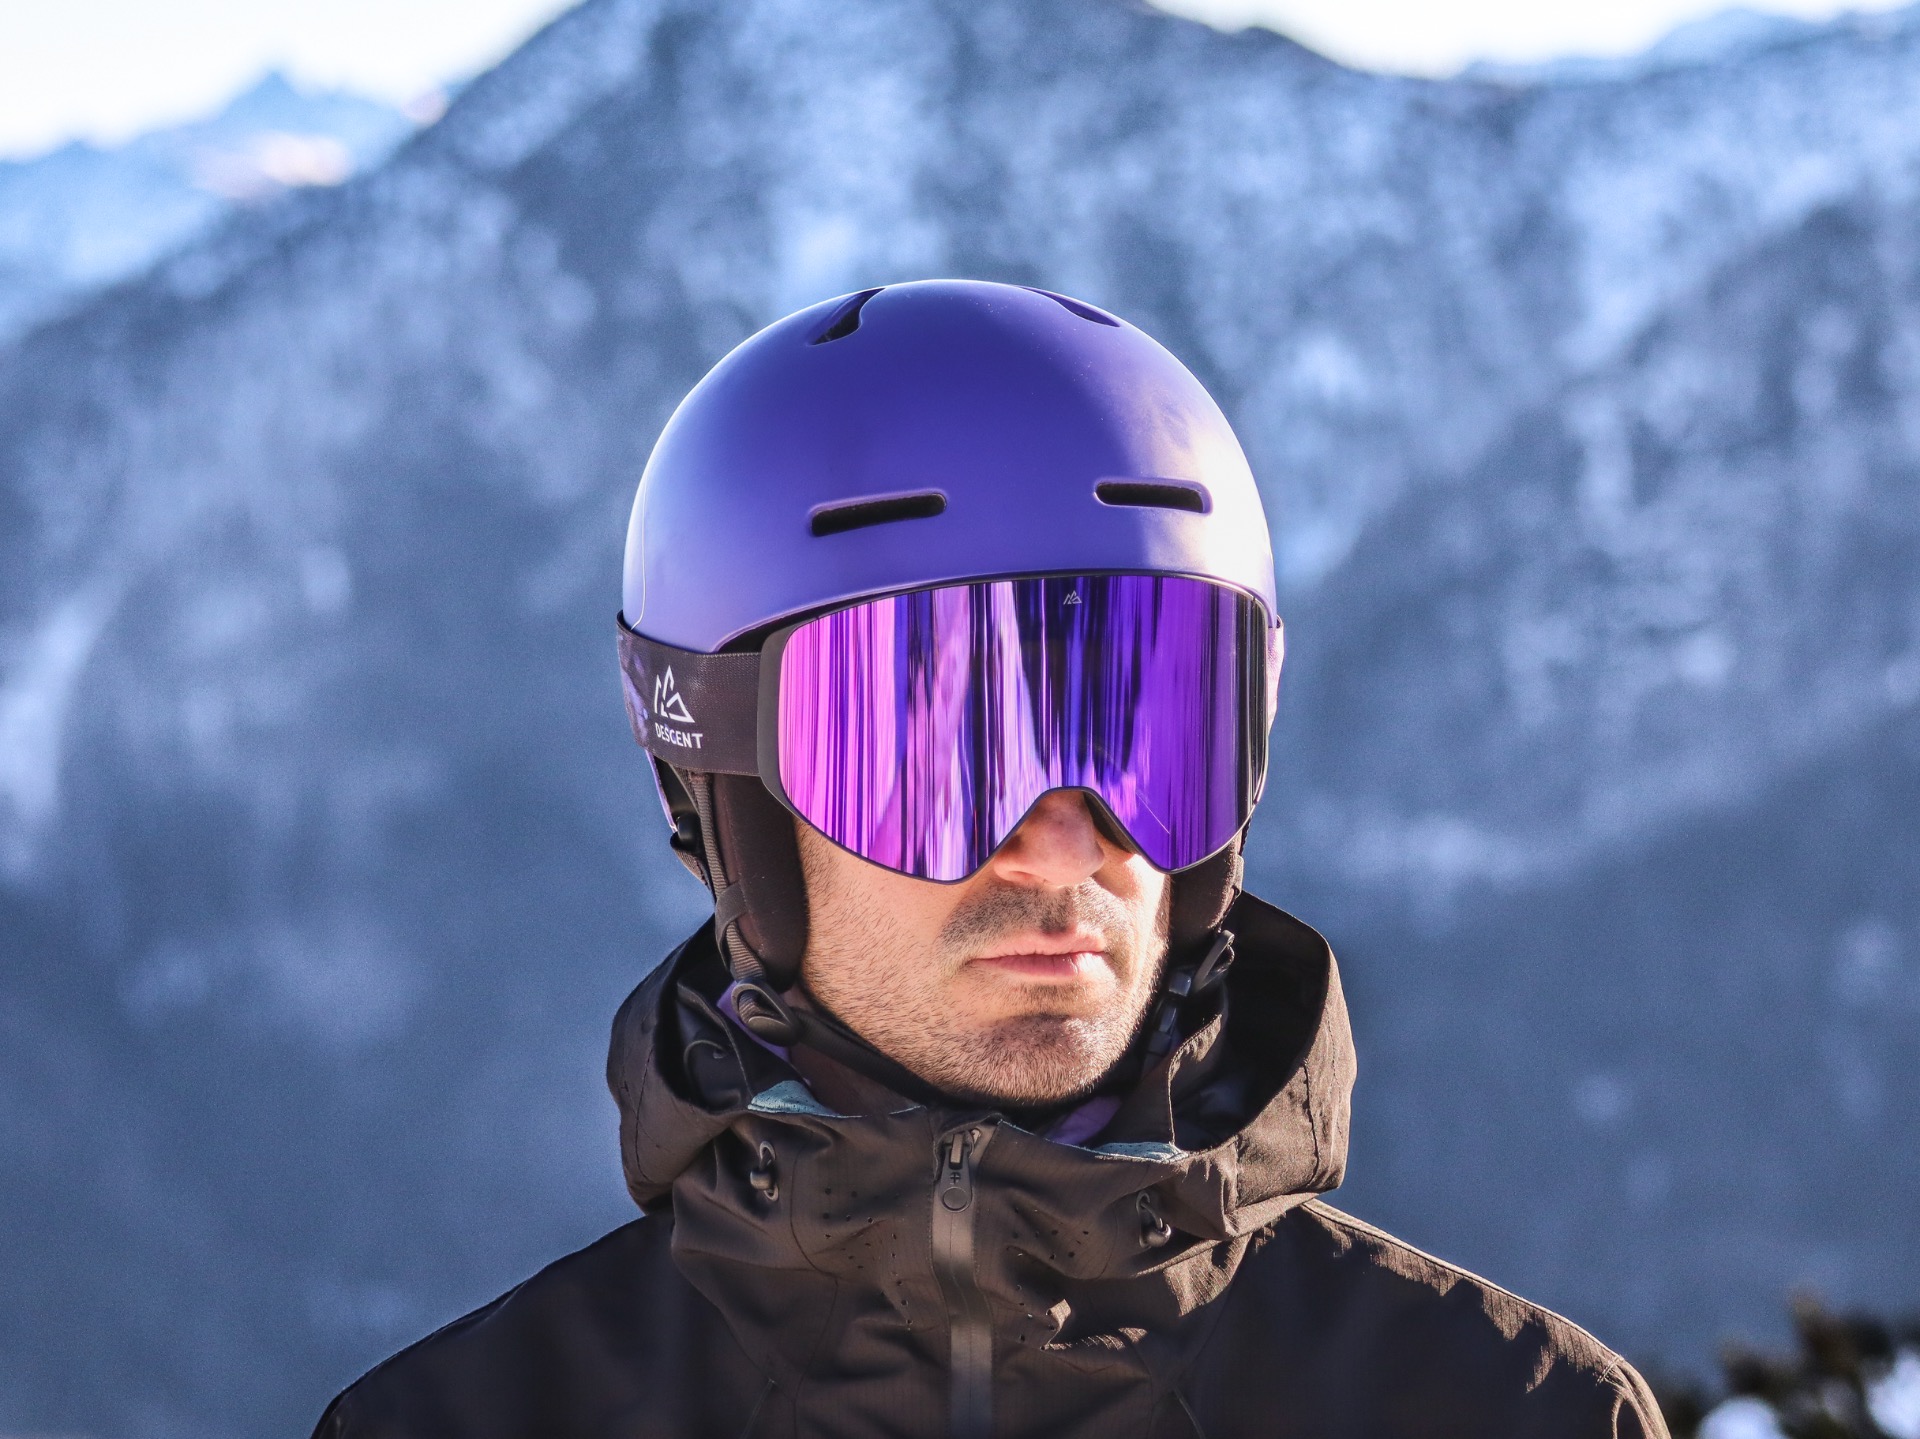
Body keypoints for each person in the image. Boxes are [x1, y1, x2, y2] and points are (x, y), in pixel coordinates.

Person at [311, 280, 1668, 1438]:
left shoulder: (1515, 1415)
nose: (1065, 843)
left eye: (1147, 737)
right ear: (726, 802)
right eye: (935, 760)